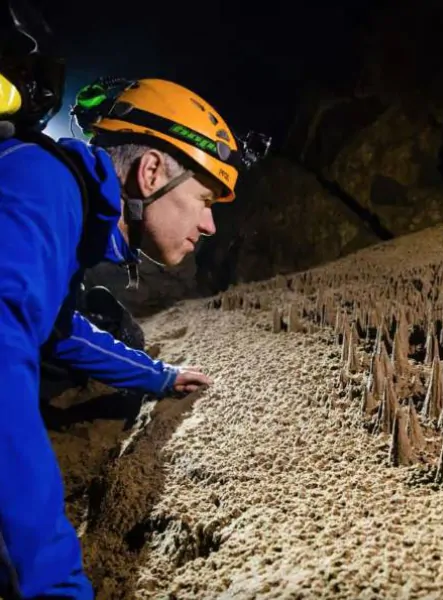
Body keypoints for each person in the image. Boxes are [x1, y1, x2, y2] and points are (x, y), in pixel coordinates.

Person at [0, 1, 268, 597]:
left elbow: (57, 328)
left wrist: (160, 379)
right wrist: (54, 584)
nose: (210, 227)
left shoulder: (61, 200)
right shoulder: (43, 190)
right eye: (204, 200)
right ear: (150, 174)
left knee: (111, 324)